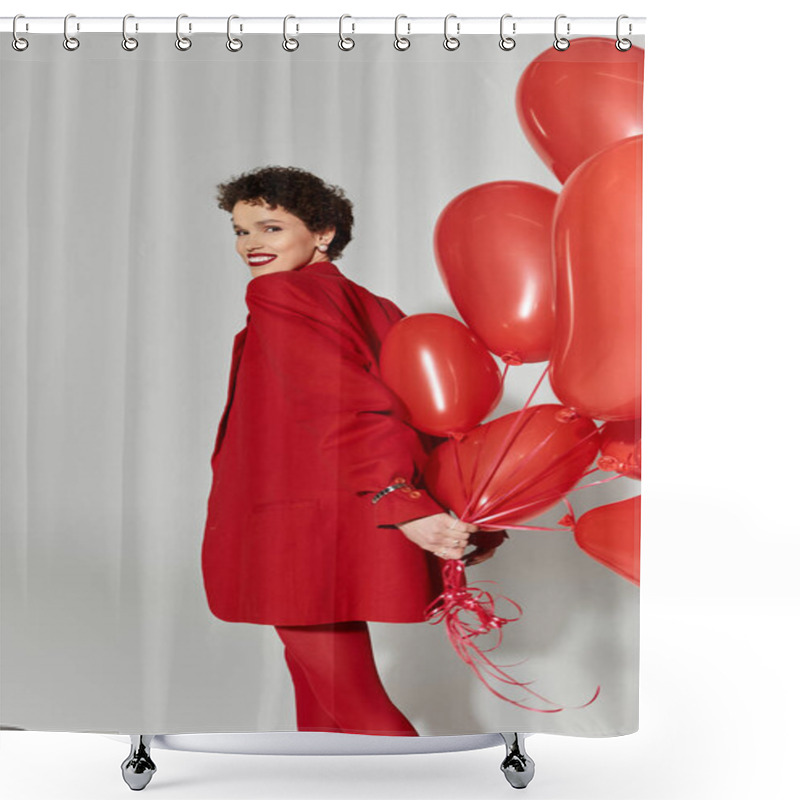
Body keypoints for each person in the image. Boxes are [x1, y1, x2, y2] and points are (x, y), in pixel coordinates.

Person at [201, 165, 507, 736]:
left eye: (270, 228)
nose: (251, 246)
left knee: (352, 702)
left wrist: (404, 502)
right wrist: (461, 515)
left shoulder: (281, 294)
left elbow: (344, 407)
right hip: (344, 517)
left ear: (323, 233)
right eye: (241, 232)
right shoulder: (374, 306)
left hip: (302, 530)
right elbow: (430, 413)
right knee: (323, 701)